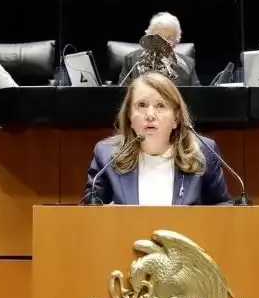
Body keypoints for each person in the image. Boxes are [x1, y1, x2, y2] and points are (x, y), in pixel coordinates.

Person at [83, 72, 231, 206]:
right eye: (142, 105)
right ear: (129, 115)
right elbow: (89, 212)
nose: (150, 115)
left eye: (160, 105)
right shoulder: (107, 155)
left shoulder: (203, 153)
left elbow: (223, 207)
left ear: (176, 117)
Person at [117, 12, 201, 87]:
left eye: (169, 38)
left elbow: (197, 96)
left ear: (176, 42)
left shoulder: (188, 65)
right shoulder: (131, 60)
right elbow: (121, 95)